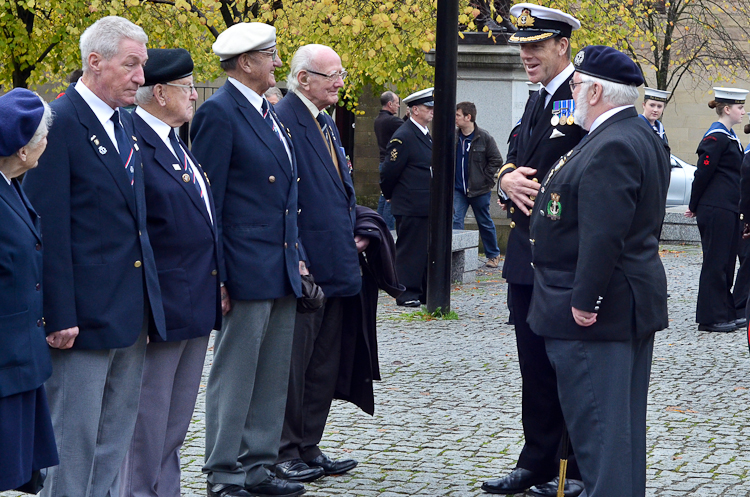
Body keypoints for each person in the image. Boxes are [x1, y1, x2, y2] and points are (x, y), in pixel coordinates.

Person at [22, 17, 168, 497]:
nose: (140, 78)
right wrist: (57, 314)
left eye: (142, 65)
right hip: (80, 319)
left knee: (113, 440)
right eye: (131, 65)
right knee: (73, 442)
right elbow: (48, 228)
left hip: (129, 312)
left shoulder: (125, 121)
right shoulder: (60, 123)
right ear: (94, 62)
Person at [529, 44, 670, 497]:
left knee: (601, 435)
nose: (571, 92)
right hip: (621, 304)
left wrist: (585, 300)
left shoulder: (613, 143)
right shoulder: (635, 133)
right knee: (618, 433)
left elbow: (604, 233)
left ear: (594, 93)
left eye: (575, 85)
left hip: (597, 313)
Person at [190, 22, 306, 497]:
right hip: (243, 264)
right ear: (246, 63)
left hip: (277, 263)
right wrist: (217, 274)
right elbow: (208, 201)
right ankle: (223, 468)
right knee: (236, 371)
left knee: (272, 371)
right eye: (271, 55)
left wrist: (294, 255)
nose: (278, 63)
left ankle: (259, 465)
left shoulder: (267, 112)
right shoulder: (220, 113)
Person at [482, 4, 586, 496]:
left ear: (561, 45)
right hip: (525, 256)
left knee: (565, 365)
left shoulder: (584, 95)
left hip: (562, 256)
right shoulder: (536, 99)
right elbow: (516, 157)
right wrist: (504, 179)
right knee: (533, 367)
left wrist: (530, 186)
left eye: (535, 46)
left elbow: (582, 170)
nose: (525, 54)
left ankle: (573, 470)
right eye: (522, 46)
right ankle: (537, 460)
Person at [119, 48, 221, 497]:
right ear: (159, 93)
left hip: (193, 301)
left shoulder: (174, 140)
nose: (195, 95)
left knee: (174, 423)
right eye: (187, 87)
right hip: (162, 307)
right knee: (147, 423)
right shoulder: (135, 142)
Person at [273, 43, 364, 483]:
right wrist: (300, 259)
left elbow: (339, 192)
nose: (340, 82)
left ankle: (309, 444)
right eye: (331, 75)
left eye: (341, 73)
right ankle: (284, 449)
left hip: (337, 265)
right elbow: (283, 201)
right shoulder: (285, 120)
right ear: (303, 78)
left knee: (324, 364)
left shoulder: (325, 121)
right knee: (295, 366)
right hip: (306, 269)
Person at [0, 89, 58, 493]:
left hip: (18, 355)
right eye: (41, 139)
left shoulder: (12, 183)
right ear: (22, 150)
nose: (46, 145)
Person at [685, 87, 747, 333]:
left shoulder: (730, 136)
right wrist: (693, 204)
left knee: (726, 262)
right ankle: (710, 317)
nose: (743, 112)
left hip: (728, 207)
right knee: (716, 262)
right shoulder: (716, 136)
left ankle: (725, 310)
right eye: (740, 108)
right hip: (716, 207)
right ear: (728, 109)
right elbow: (703, 173)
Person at [380, 87, 434, 307]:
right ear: (414, 110)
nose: (432, 112)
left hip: (424, 203)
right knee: (409, 251)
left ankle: (422, 291)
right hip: (410, 203)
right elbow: (389, 171)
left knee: (423, 251)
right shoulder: (403, 136)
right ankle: (406, 292)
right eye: (428, 108)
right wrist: (390, 195)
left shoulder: (423, 133)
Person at [453, 101, 503, 268]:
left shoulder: (484, 138)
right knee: (456, 221)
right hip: (458, 189)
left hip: (479, 190)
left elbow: (497, 160)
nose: (455, 118)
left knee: (484, 222)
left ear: (469, 117)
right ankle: (455, 257)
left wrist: (485, 178)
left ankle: (493, 255)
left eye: (458, 115)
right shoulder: (453, 137)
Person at [374, 91, 402, 231]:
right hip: (390, 163)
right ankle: (388, 231)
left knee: (384, 197)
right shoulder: (391, 121)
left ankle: (378, 226)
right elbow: (408, 129)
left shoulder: (379, 119)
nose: (398, 106)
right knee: (391, 199)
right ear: (390, 104)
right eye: (397, 103)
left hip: (382, 161)